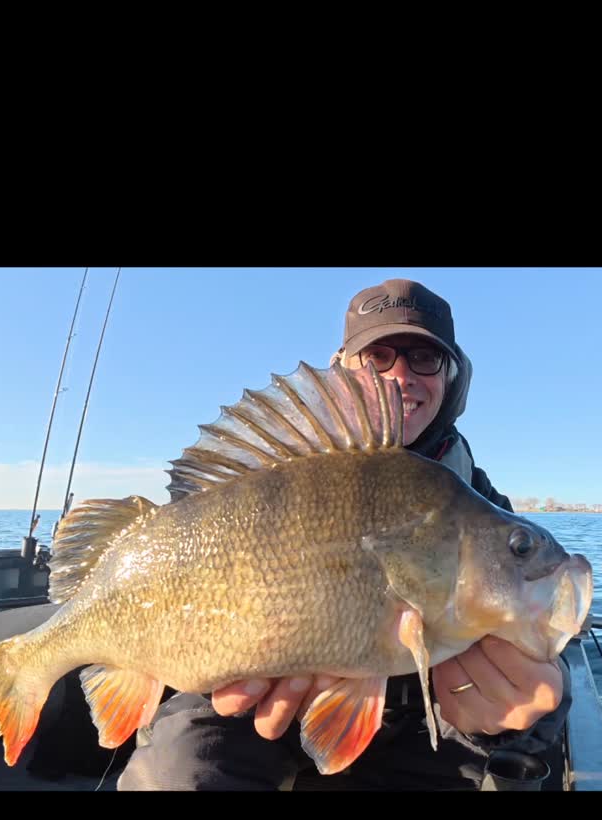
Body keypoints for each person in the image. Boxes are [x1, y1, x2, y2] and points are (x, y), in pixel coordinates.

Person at [117, 278, 570, 791]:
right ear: (342, 372)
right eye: (377, 356)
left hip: (419, 723)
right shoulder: (273, 466)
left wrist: (523, 711)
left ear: (452, 380)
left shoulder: (480, 509)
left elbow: (535, 639)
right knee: (178, 769)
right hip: (248, 694)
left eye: (425, 358)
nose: (401, 375)